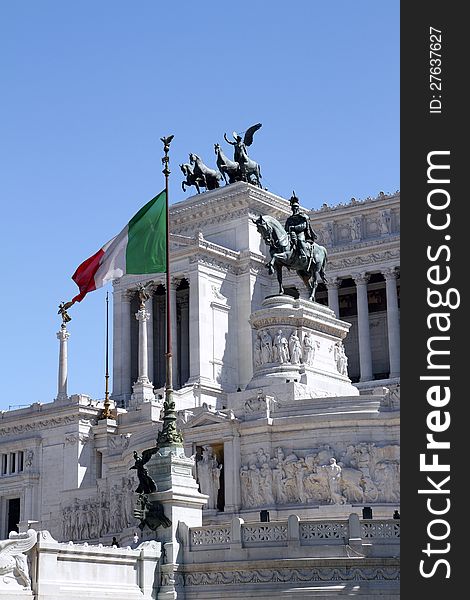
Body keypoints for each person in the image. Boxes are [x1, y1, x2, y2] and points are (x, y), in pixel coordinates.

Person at [284, 193, 317, 261]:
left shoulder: (302, 216)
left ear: (298, 208)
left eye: (296, 207)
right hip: (291, 233)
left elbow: (303, 226)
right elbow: (286, 228)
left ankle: (303, 254)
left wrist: (294, 227)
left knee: (300, 240)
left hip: (300, 233)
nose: (294, 209)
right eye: (293, 207)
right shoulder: (289, 219)